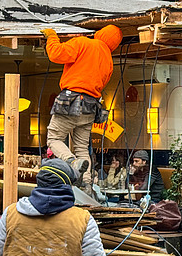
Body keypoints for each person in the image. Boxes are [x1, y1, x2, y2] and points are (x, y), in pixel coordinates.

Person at [41, 25, 123, 191]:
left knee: (53, 138)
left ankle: (71, 161)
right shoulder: (108, 59)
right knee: (81, 147)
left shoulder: (83, 43)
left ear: (100, 32)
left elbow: (56, 54)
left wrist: (51, 36)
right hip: (91, 106)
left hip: (71, 99)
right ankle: (86, 183)